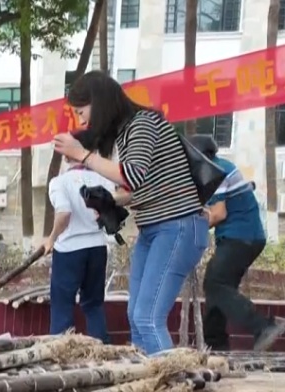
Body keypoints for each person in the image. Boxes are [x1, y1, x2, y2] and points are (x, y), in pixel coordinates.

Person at [53, 70, 208, 355]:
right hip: (155, 229)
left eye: (81, 111)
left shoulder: (142, 124)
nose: (81, 120)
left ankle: (174, 385)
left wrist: (82, 154)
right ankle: (151, 386)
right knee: (137, 318)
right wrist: (111, 202)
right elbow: (145, 187)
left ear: (98, 103)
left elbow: (132, 176)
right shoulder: (127, 133)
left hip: (177, 227)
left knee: (148, 318)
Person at [189, 134, 285, 351]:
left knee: (215, 283)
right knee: (219, 289)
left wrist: (190, 229)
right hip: (243, 236)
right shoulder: (220, 166)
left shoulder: (214, 171)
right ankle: (216, 347)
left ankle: (263, 326)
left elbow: (218, 214)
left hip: (241, 237)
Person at [44, 130, 112, 342]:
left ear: (67, 154)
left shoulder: (60, 182)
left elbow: (64, 213)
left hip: (69, 251)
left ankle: (60, 351)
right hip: (97, 247)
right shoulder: (105, 179)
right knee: (93, 304)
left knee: (62, 304)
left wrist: (51, 238)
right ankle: (100, 350)